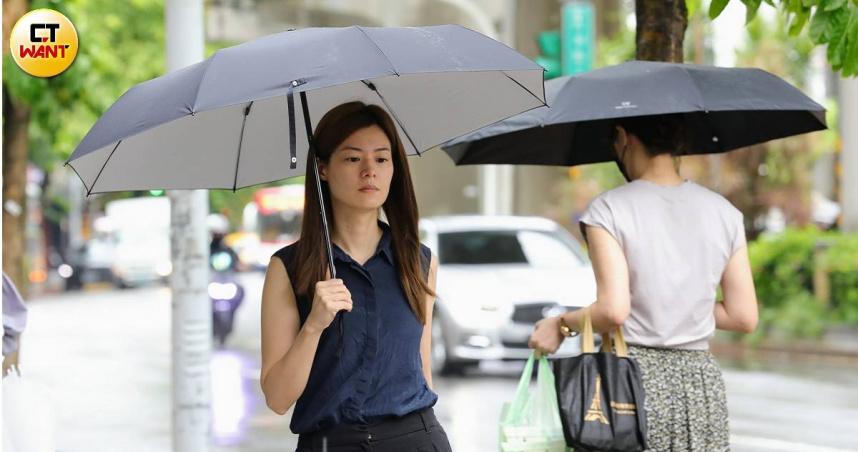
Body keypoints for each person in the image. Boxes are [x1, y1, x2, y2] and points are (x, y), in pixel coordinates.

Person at [529, 114, 758, 451]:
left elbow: (613, 310)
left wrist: (561, 324)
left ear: (623, 136)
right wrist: (679, 302)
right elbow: (743, 316)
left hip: (631, 382)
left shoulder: (608, 210)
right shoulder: (724, 213)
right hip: (700, 384)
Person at [260, 102, 452, 452]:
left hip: (416, 439)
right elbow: (277, 398)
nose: (369, 171)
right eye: (352, 159)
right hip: (330, 443)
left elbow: (421, 371)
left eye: (381, 158)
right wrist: (314, 326)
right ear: (323, 169)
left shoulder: (418, 261)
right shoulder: (288, 268)